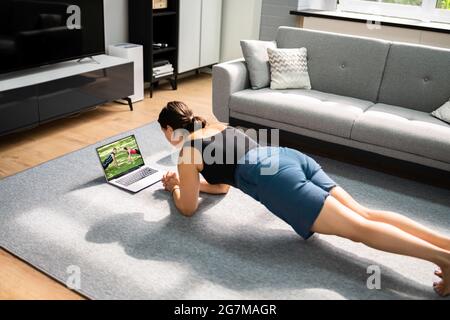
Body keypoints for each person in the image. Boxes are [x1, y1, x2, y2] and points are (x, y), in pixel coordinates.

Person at [158, 101, 450, 297]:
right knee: (365, 214)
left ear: (170, 130)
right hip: (286, 157)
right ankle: (445, 244)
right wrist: (193, 185)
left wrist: (175, 188)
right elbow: (221, 187)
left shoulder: (187, 152)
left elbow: (187, 208)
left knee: (358, 230)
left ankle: (443, 259)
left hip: (274, 180)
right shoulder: (218, 125)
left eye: (164, 134)